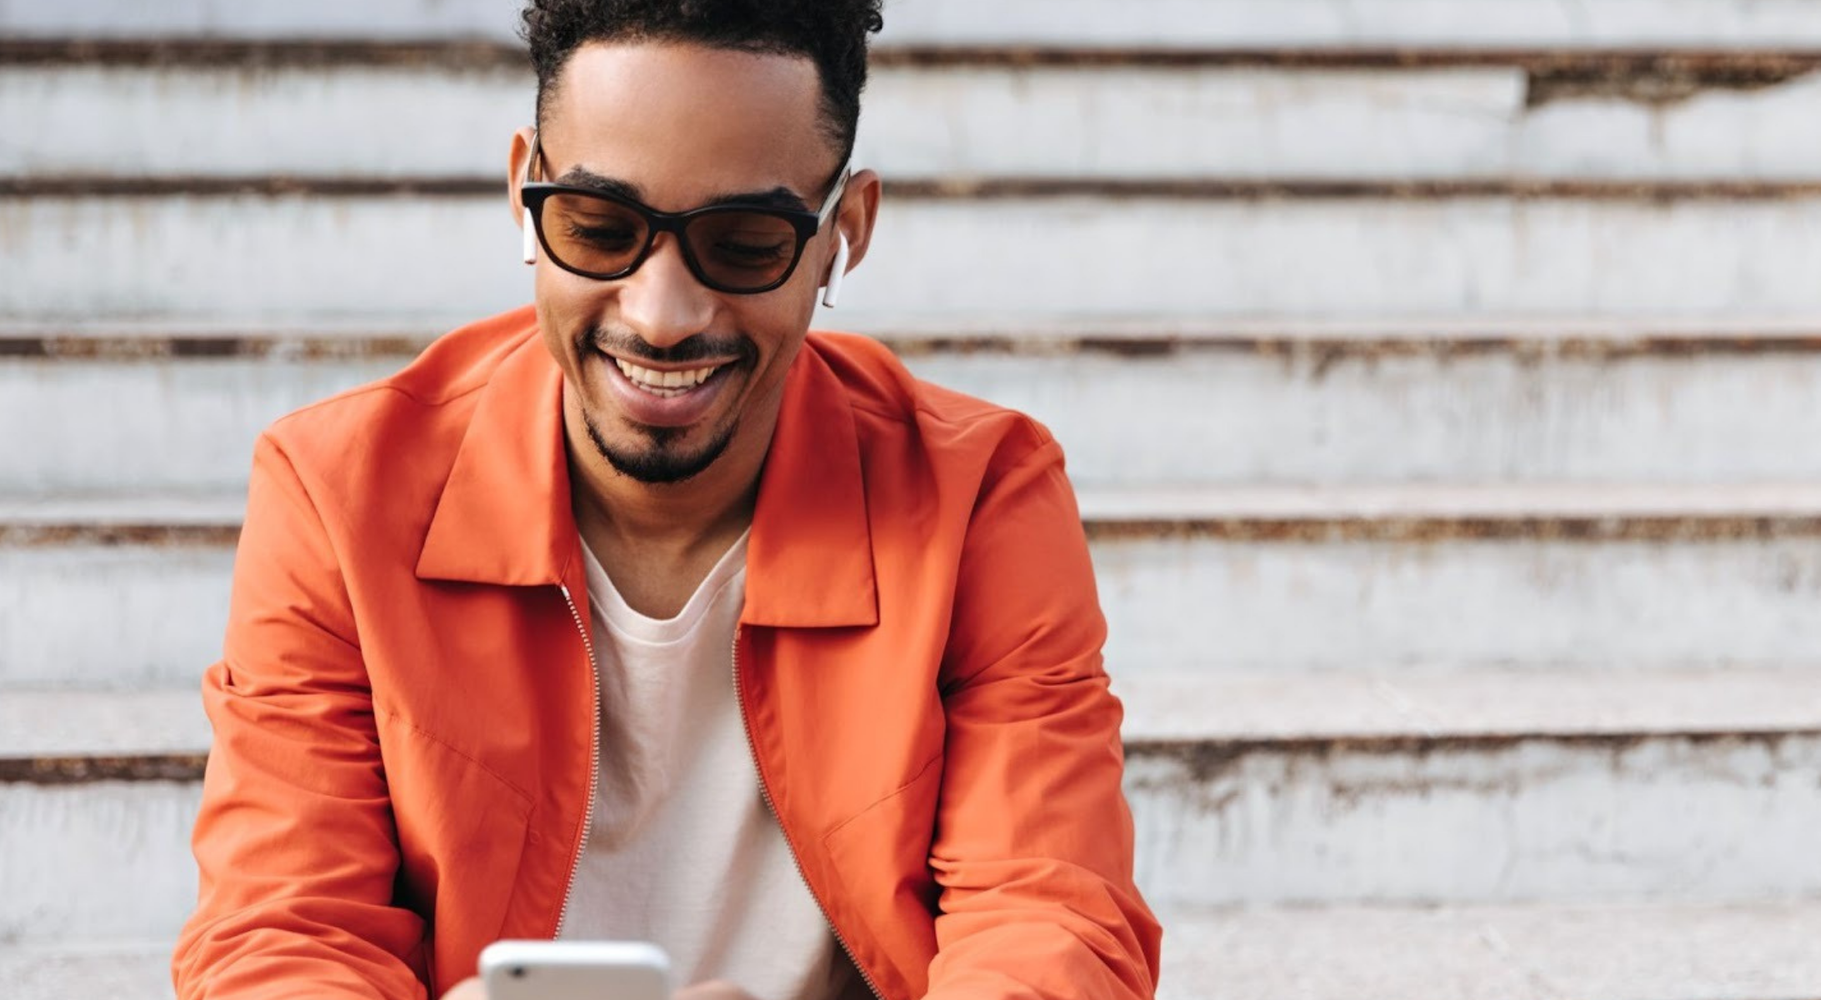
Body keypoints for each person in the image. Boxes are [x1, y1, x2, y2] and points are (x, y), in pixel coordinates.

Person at [168, 1, 1161, 998]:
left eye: (741, 243)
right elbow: (283, 931)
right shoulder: (341, 492)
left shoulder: (977, 494)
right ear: (523, 192)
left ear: (840, 236)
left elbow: (1048, 920)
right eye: (598, 230)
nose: (661, 315)